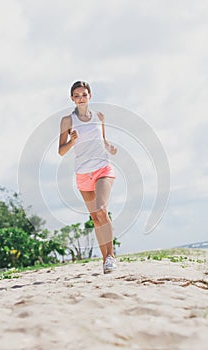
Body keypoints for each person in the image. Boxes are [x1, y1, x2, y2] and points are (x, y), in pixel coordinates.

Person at [58, 81, 117, 274]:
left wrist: (110, 147)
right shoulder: (67, 121)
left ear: (90, 95)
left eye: (84, 94)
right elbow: (61, 151)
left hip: (102, 169)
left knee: (101, 210)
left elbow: (103, 139)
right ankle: (105, 260)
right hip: (83, 174)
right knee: (96, 218)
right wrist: (72, 141)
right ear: (72, 98)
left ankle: (111, 257)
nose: (80, 98)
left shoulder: (99, 116)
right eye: (77, 95)